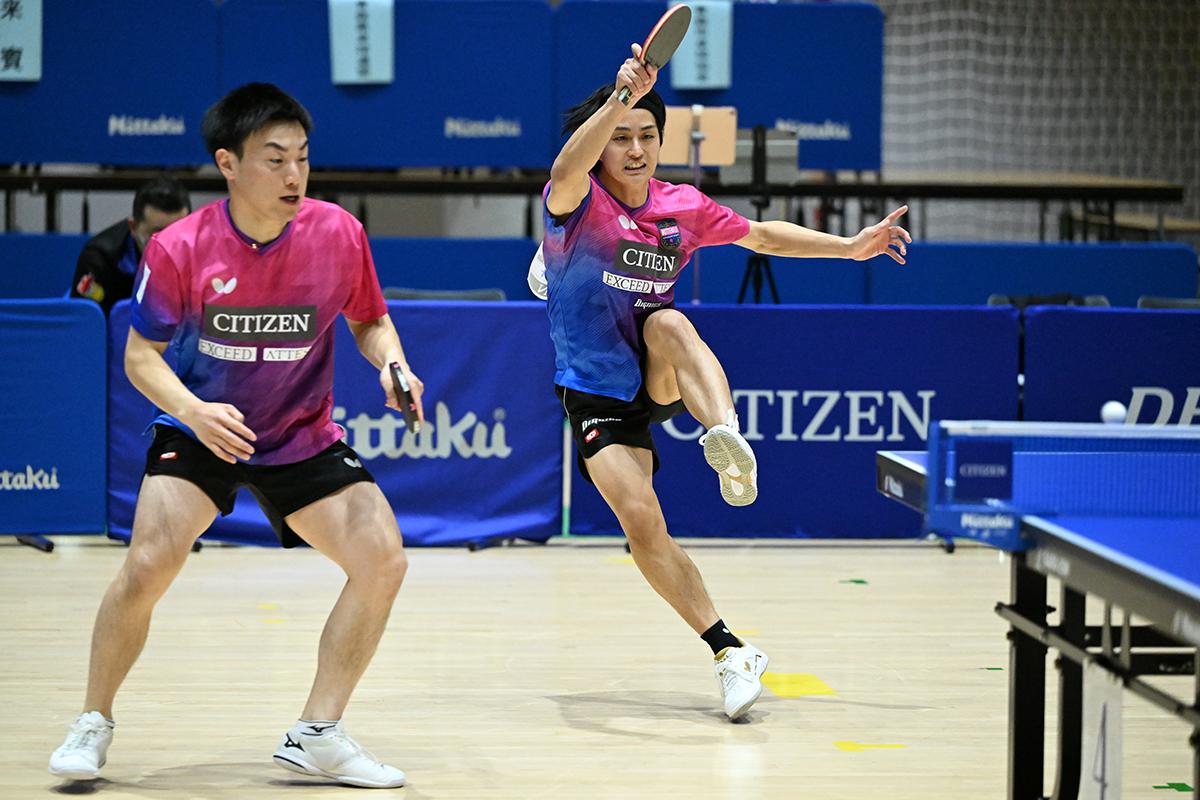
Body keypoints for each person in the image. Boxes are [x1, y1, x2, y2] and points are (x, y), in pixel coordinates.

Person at [49, 83, 423, 789]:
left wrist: (393, 363)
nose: (293, 175)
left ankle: (317, 732)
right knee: (149, 563)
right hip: (201, 429)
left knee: (383, 560)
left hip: (300, 431)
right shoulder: (180, 247)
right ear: (228, 163)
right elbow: (139, 357)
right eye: (274, 159)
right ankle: (92, 721)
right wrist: (195, 412)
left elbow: (369, 319)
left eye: (302, 158)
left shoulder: (339, 233)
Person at [541, 47, 911, 720]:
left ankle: (726, 439)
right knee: (642, 525)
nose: (635, 149)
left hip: (654, 368)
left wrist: (849, 247)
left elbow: (762, 236)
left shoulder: (680, 205)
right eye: (621, 137)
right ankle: (730, 650)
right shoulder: (578, 200)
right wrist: (620, 98)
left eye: (647, 135)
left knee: (670, 323)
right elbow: (567, 166)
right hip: (594, 389)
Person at [70, 176, 191, 315]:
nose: (170, 247)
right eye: (158, 235)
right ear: (133, 227)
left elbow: (212, 323)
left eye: (178, 233)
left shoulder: (206, 256)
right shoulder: (99, 260)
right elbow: (85, 322)